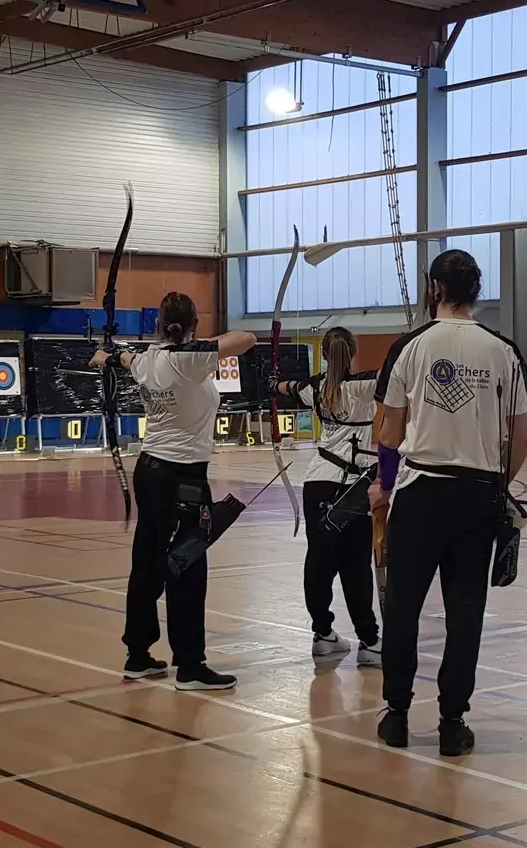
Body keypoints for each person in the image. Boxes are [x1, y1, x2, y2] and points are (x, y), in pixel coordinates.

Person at [371, 249, 527, 757]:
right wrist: (492, 479)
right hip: (476, 497)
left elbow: (389, 433)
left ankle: (396, 714)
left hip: (420, 495)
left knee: (403, 606)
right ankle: (451, 723)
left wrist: (389, 473)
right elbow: (522, 437)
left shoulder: (409, 347)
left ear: (435, 288)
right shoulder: (503, 350)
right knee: (466, 611)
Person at [92, 292, 257, 692]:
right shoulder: (189, 359)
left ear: (158, 325)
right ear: (193, 326)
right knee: (187, 565)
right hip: (183, 479)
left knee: (148, 562)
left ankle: (138, 655)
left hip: (150, 472)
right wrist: (194, 345)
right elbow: (247, 338)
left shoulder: (148, 358)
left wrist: (110, 356)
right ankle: (189, 666)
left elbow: (127, 360)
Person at [276, 327, 382, 666]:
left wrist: (273, 382)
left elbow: (287, 388)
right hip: (352, 489)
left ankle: (323, 634)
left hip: (318, 482)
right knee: (355, 565)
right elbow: (396, 375)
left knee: (319, 560)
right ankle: (369, 641)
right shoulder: (365, 385)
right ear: (352, 352)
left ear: (323, 354)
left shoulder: (315, 388)